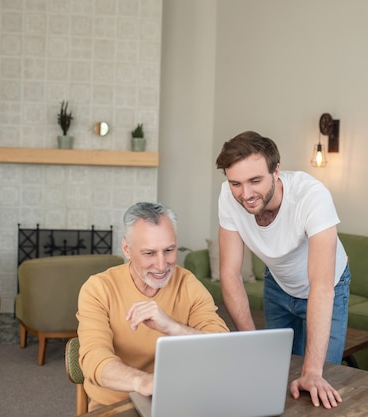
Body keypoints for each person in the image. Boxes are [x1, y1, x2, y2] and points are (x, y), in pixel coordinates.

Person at [215, 131, 350, 409]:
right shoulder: (229, 198)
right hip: (277, 283)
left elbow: (322, 287)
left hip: (327, 287)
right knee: (274, 375)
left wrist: (312, 371)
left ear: (276, 170)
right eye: (236, 183)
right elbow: (229, 274)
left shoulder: (311, 197)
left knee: (317, 385)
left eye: (255, 181)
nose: (246, 194)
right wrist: (251, 342)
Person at [76, 202, 229, 411]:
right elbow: (94, 360)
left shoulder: (188, 284)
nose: (161, 265)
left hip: (179, 400)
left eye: (169, 250)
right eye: (149, 253)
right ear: (127, 249)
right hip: (116, 405)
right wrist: (145, 383)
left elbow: (222, 349)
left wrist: (172, 327)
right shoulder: (98, 288)